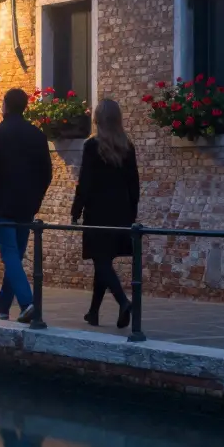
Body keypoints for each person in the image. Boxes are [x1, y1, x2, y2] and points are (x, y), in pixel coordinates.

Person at [0, 88, 52, 323]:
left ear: (5, 106)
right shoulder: (37, 136)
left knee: (10, 254)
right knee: (15, 255)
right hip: (26, 205)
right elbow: (46, 173)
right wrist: (36, 199)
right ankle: (2, 301)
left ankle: (27, 303)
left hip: (2, 204)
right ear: (25, 107)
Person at [71, 98, 139, 329]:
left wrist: (76, 210)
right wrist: (132, 215)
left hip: (98, 212)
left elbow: (85, 182)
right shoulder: (127, 147)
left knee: (101, 261)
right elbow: (134, 185)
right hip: (121, 212)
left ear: (98, 119)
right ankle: (93, 312)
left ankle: (123, 301)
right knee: (104, 262)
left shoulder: (92, 146)